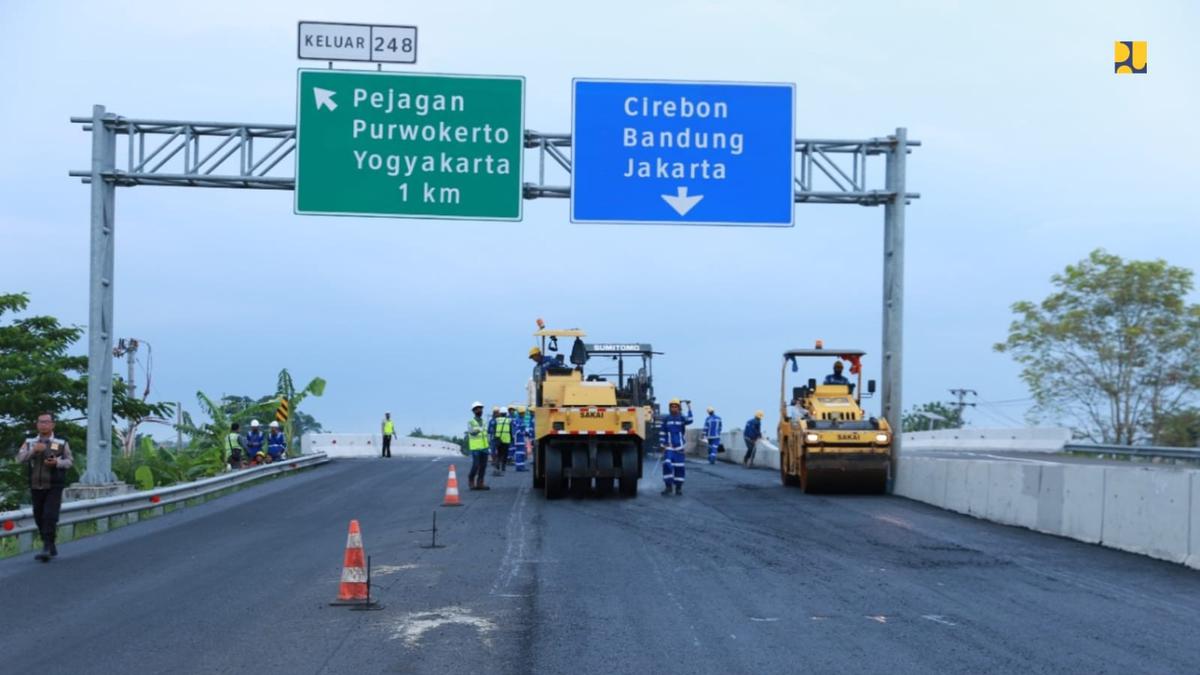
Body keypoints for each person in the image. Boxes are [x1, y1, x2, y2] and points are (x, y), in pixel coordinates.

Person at [15, 412, 74, 562]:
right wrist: (34, 450)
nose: (43, 425)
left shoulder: (61, 442)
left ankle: (47, 546)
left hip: (54, 484)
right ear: (37, 424)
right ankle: (50, 543)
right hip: (36, 485)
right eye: (41, 422)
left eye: (47, 422)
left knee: (49, 515)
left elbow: (69, 461)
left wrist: (57, 463)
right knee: (38, 516)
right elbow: (19, 459)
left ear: (53, 424)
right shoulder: (29, 441)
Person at [659, 399, 693, 496]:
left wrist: (689, 407)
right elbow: (662, 432)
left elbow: (690, 420)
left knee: (679, 468)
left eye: (675, 406)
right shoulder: (666, 419)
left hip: (679, 448)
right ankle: (668, 487)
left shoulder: (682, 418)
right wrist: (662, 444)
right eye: (672, 406)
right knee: (667, 464)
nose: (673, 408)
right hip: (669, 447)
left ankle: (678, 488)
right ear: (669, 408)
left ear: (679, 408)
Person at [466, 402, 491, 490]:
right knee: (476, 465)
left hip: (484, 447)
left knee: (483, 466)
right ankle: (471, 479)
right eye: (477, 408)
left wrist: (489, 445)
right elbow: (471, 432)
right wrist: (478, 430)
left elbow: (486, 434)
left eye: (481, 408)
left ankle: (480, 483)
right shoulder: (471, 422)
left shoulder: (484, 421)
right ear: (473, 411)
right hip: (475, 448)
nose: (480, 410)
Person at [493, 408, 512, 475]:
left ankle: (497, 464)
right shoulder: (508, 420)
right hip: (506, 440)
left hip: (498, 439)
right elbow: (510, 430)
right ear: (506, 413)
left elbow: (494, 430)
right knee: (505, 454)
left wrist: (495, 438)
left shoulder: (497, 420)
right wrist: (512, 438)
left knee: (499, 453)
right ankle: (503, 467)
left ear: (500, 413)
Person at [513, 405, 529, 471]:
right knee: (519, 453)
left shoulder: (521, 420)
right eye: (523, 413)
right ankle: (519, 467)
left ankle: (521, 466)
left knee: (522, 453)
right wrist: (523, 433)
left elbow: (522, 429)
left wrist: (526, 433)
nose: (524, 414)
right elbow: (517, 430)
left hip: (521, 439)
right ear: (521, 413)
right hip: (518, 439)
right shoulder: (517, 420)